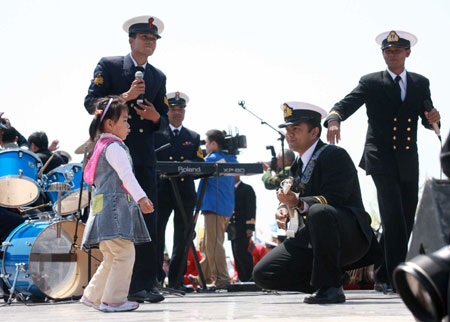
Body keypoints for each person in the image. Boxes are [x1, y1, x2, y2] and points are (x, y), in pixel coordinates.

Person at [325, 30, 441, 293]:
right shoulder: (371, 82)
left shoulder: (420, 82)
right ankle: (396, 277)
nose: (393, 55)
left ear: (407, 53)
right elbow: (345, 104)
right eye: (388, 51)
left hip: (408, 158)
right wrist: (334, 120)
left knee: (406, 218)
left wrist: (433, 117)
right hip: (380, 156)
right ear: (383, 55)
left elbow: (427, 117)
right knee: (393, 217)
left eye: (398, 51)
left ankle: (380, 272)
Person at [253, 101, 381, 304]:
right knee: (264, 274)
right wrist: (283, 209)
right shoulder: (297, 166)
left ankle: (331, 288)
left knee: (319, 211)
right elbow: (292, 195)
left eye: (296, 129)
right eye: (288, 129)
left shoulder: (334, 155)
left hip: (348, 237)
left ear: (314, 133)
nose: (290, 134)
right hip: (313, 239)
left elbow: (336, 197)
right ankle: (331, 279)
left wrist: (299, 202)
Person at [84, 15, 169, 303]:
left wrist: (155, 116)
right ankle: (112, 289)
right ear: (131, 40)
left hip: (143, 156)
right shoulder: (109, 66)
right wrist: (124, 96)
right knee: (115, 218)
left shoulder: (158, 77)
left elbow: (165, 120)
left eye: (154, 39)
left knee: (147, 220)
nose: (149, 42)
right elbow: (90, 103)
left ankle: (145, 284)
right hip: (112, 154)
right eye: (144, 38)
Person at [80, 96, 153, 312]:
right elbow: (126, 176)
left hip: (101, 210)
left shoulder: (100, 145)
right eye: (125, 120)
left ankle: (92, 296)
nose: (129, 125)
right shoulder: (114, 147)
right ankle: (113, 300)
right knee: (124, 254)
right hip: (114, 212)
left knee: (112, 256)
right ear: (110, 123)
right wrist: (142, 198)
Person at [154, 91, 203, 290]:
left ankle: (176, 280)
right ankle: (156, 278)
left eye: (180, 109)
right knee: (157, 236)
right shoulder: (156, 134)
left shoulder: (192, 136)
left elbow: (201, 163)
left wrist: (192, 164)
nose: (176, 113)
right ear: (167, 111)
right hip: (162, 191)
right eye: (172, 109)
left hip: (184, 193)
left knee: (182, 238)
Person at [188, 130, 237, 289]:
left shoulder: (214, 159)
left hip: (215, 206)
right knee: (210, 243)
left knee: (213, 245)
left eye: (207, 143)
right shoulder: (229, 159)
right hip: (223, 206)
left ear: (214, 144)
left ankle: (222, 278)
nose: (205, 146)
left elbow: (198, 168)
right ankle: (203, 276)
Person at [226, 176, 256, 282]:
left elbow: (251, 208)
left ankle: (249, 278)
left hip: (242, 227)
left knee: (241, 253)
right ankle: (242, 278)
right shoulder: (228, 189)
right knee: (235, 253)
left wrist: (250, 227)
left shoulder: (247, 189)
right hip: (232, 228)